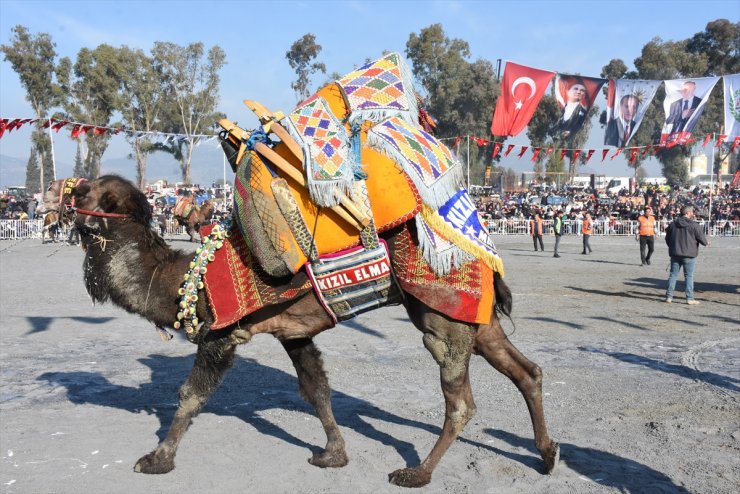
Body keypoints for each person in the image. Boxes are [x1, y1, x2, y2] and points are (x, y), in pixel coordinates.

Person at [664, 205, 708, 304]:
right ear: (688, 213)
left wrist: (673, 247)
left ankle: (669, 297)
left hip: (675, 253)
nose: (693, 213)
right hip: (689, 254)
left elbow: (667, 239)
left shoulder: (673, 224)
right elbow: (702, 239)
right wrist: (706, 243)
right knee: (689, 276)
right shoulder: (694, 225)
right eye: (692, 211)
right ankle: (689, 298)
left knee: (673, 275)